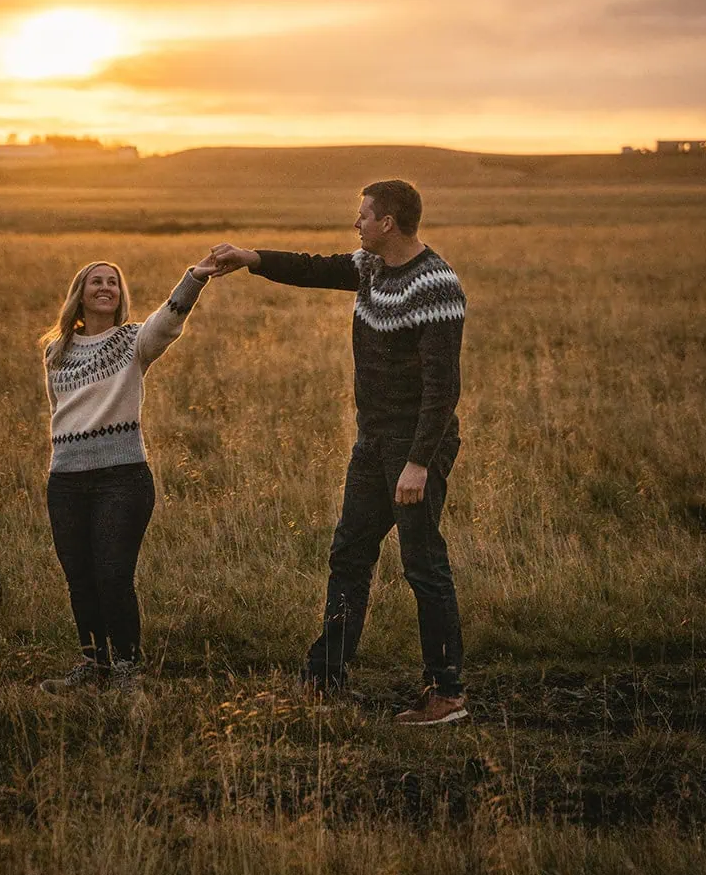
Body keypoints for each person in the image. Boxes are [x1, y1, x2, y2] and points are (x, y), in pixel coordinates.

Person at [211, 180, 468, 725]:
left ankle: (445, 693)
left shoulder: (436, 286)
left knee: (422, 565)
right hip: (373, 441)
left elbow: (443, 387)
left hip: (414, 445)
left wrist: (419, 463)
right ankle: (324, 679)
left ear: (388, 223)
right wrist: (249, 258)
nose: (356, 224)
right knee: (349, 554)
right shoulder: (371, 268)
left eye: (363, 216)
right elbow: (315, 268)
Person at [38, 252, 216, 693]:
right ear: (79, 296)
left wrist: (193, 277)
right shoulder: (55, 352)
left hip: (122, 478)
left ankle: (127, 669)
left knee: (112, 575)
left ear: (119, 297)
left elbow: (169, 321)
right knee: (79, 578)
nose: (104, 288)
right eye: (95, 282)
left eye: (112, 283)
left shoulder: (134, 341)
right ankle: (94, 665)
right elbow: (59, 413)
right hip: (66, 481)